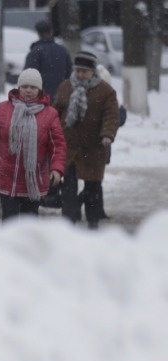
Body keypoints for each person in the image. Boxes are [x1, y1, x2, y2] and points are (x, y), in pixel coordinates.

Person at [0, 68, 67, 221]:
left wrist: (57, 169)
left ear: (39, 89)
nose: (29, 91)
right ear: (19, 88)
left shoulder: (50, 114)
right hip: (6, 177)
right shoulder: (3, 109)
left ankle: (27, 245)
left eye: (33, 87)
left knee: (29, 223)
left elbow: (58, 145)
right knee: (9, 221)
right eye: (25, 87)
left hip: (34, 180)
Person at [52, 50, 121, 229]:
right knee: (68, 187)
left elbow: (111, 116)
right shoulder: (65, 87)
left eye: (85, 71)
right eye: (78, 71)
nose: (81, 75)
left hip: (94, 148)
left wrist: (107, 134)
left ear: (93, 71)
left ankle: (93, 222)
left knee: (92, 187)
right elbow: (56, 112)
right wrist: (52, 132)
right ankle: (68, 222)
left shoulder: (105, 91)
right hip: (69, 146)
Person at [24, 20, 73, 101]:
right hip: (61, 97)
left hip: (41, 98)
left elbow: (28, 76)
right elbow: (70, 74)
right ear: (51, 32)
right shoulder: (62, 50)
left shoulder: (35, 52)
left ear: (38, 33)